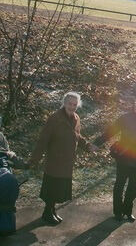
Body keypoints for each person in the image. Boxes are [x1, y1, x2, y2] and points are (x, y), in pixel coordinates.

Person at [29, 92, 93, 225]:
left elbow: (77, 136)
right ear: (64, 103)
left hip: (68, 161)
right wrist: (35, 159)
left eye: (75, 104)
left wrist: (87, 146)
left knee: (59, 188)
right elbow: (43, 140)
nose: (72, 106)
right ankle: (47, 213)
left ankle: (52, 211)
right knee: (52, 188)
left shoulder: (76, 118)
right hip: (55, 160)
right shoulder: (55, 118)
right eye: (70, 103)